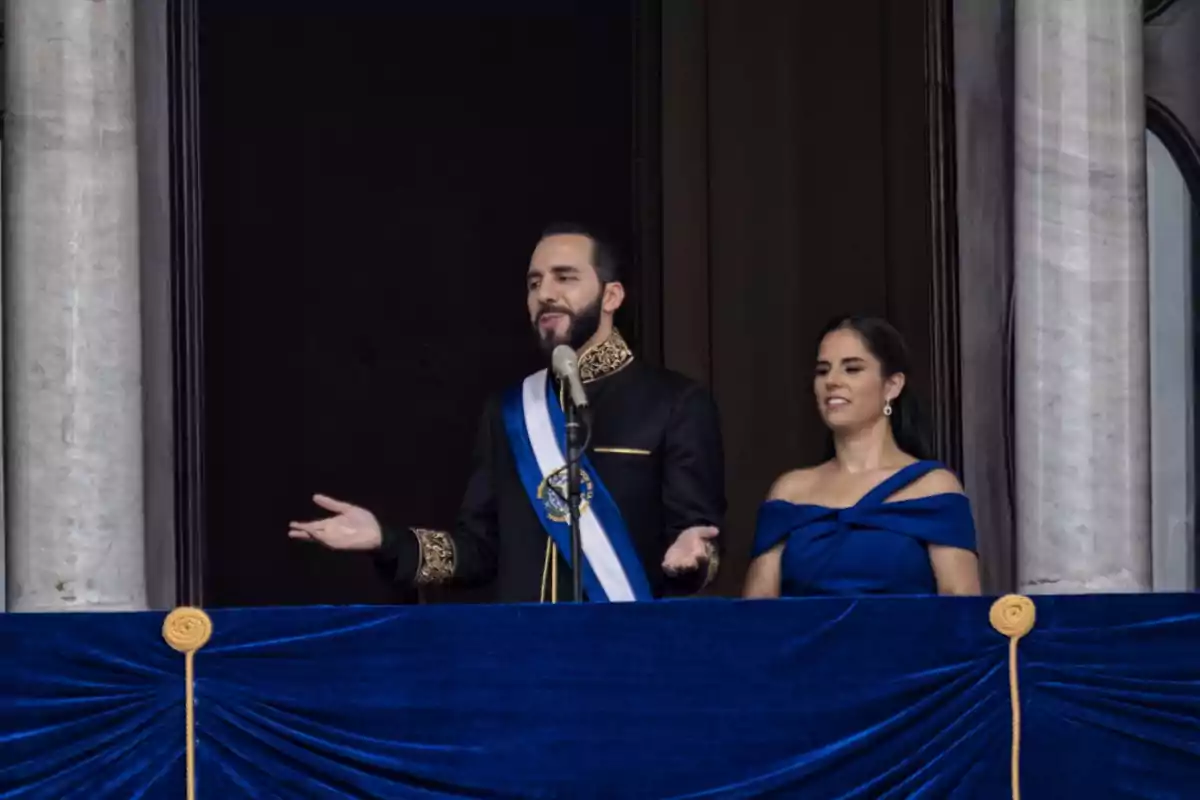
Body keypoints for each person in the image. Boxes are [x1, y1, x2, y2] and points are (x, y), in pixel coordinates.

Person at [289, 223, 725, 602]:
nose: (545, 294)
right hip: (523, 658)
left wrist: (694, 555)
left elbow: (695, 544)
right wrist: (388, 541)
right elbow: (478, 552)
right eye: (534, 283)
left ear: (611, 296)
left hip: (628, 657)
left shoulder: (676, 403)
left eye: (565, 277)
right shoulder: (510, 410)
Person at [743, 315, 980, 598]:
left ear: (892, 386)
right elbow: (756, 616)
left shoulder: (934, 486)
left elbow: (960, 604)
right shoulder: (790, 491)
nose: (832, 381)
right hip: (805, 644)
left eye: (852, 369)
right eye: (822, 371)